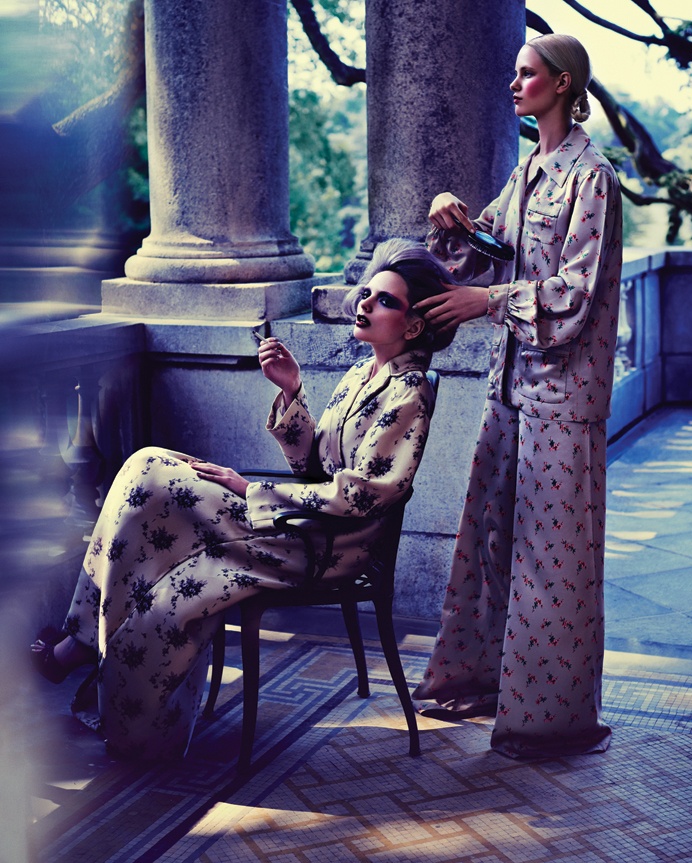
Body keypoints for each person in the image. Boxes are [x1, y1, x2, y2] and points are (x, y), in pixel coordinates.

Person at [31, 238, 455, 760]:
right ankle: (90, 658)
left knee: (149, 474)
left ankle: (81, 650)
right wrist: (292, 390)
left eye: (385, 300)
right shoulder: (360, 375)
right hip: (296, 524)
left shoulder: (409, 393)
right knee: (148, 488)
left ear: (413, 326)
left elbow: (362, 495)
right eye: (367, 292)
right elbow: (314, 467)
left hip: (325, 546)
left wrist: (247, 488)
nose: (366, 302)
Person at [412, 34, 623, 759]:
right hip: (510, 384)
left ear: (562, 84)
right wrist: (453, 219)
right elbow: (488, 254)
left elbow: (574, 294)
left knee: (552, 559)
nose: (514, 83)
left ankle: (552, 720)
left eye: (527, 73)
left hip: (564, 393)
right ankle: (478, 681)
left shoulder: (593, 178)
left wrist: (488, 302)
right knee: (492, 539)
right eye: (513, 73)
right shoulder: (528, 168)